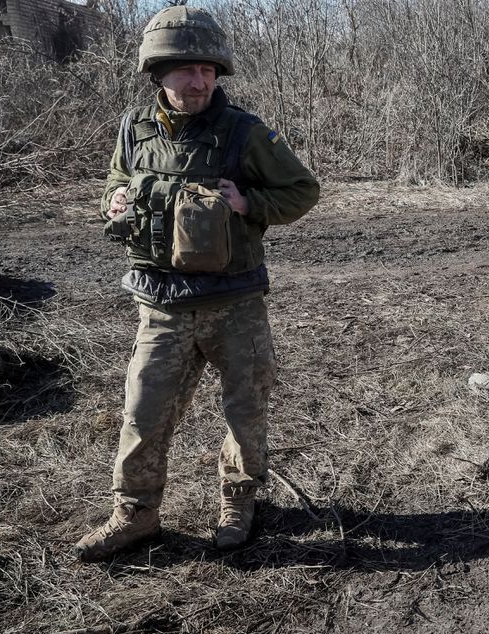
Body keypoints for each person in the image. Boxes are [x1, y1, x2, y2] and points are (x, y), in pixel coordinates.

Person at [76, 6, 320, 562]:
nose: (199, 80)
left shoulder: (245, 132)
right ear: (157, 72)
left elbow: (303, 190)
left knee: (245, 409)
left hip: (234, 303)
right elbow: (119, 177)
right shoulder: (133, 128)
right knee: (143, 412)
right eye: (186, 69)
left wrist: (248, 202)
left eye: (209, 70)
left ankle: (239, 501)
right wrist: (114, 201)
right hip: (160, 304)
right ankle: (134, 514)